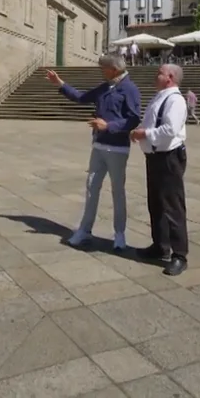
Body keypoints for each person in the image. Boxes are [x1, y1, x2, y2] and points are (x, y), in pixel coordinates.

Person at [46, 53, 142, 251]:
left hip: (117, 148)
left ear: (113, 69)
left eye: (103, 68)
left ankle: (120, 234)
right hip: (98, 146)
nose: (101, 71)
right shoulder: (105, 87)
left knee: (117, 191)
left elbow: (133, 119)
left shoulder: (129, 89)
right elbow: (81, 97)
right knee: (91, 187)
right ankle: (84, 229)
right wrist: (59, 83)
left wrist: (109, 125)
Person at [131, 63, 190, 276]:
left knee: (173, 206)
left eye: (160, 72)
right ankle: (160, 245)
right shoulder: (160, 96)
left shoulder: (175, 100)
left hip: (169, 158)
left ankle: (179, 255)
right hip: (155, 157)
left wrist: (144, 134)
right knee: (155, 203)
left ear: (170, 77)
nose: (156, 75)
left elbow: (169, 130)